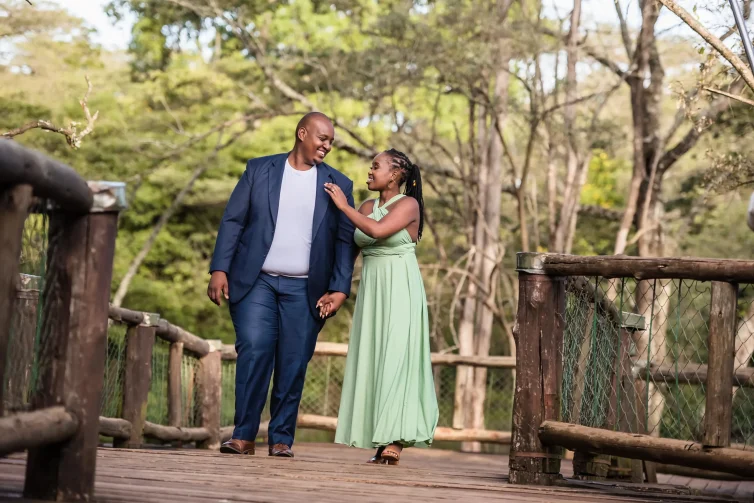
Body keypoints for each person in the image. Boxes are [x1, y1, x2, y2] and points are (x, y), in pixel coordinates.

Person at [207, 112, 356, 458]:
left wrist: (339, 289)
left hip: (306, 290)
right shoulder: (259, 170)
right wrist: (219, 269)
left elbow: (344, 243)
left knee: (292, 363)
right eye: (322, 138)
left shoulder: (339, 184)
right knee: (255, 350)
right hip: (255, 283)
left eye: (331, 141)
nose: (327, 146)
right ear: (302, 133)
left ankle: (281, 439)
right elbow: (233, 221)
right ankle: (242, 436)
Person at [319, 148, 439, 466]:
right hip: (372, 290)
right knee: (375, 356)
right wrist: (337, 290)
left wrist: (342, 206)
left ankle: (395, 440)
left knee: (397, 357)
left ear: (396, 173)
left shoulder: (408, 205)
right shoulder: (367, 206)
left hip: (400, 287)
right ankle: (380, 432)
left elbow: (377, 230)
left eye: (376, 166)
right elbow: (354, 250)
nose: (370, 171)